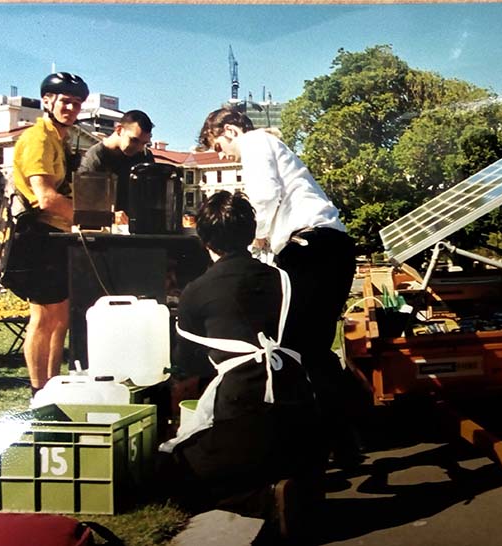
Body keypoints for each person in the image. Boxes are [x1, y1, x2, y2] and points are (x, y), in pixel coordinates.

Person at [158, 191, 325, 538]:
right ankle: (295, 481)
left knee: (174, 469)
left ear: (203, 238)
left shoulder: (196, 291)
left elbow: (187, 377)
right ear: (250, 234)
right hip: (301, 414)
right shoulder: (287, 280)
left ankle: (263, 500)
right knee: (272, 444)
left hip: (242, 405)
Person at [199, 108, 360, 465]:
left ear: (229, 129)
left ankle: (322, 439)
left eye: (218, 144)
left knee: (295, 346)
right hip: (330, 246)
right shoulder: (273, 146)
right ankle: (344, 437)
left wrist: (254, 241)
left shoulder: (255, 142)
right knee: (314, 347)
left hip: (308, 247)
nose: (223, 154)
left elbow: (265, 194)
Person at [10, 72, 90, 394]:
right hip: (35, 236)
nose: (71, 109)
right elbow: (44, 196)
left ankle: (53, 386)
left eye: (77, 104)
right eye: (66, 102)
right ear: (47, 101)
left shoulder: (59, 138)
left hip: (55, 236)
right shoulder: (37, 139)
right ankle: (38, 392)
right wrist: (91, 216)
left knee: (60, 318)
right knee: (43, 319)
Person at [77, 109, 153, 213]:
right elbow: (86, 205)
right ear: (119, 130)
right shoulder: (95, 158)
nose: (139, 148)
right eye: (134, 140)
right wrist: (112, 216)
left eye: (144, 143)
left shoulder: (144, 156)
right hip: (106, 226)